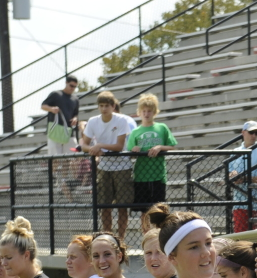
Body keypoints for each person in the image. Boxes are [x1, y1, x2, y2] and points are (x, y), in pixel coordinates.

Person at [81, 92, 136, 241]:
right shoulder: (93, 121)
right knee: (104, 206)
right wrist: (92, 149)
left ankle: (121, 239)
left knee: (122, 206)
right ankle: (108, 239)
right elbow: (83, 143)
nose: (104, 109)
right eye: (101, 106)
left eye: (107, 105)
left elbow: (119, 146)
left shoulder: (121, 120)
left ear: (113, 106)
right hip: (103, 168)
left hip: (122, 167)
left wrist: (99, 146)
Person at [127, 94, 177, 214]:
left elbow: (172, 147)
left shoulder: (162, 128)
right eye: (143, 111)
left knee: (159, 210)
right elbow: (130, 154)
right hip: (141, 175)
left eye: (149, 111)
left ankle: (158, 232)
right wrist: (134, 151)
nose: (146, 114)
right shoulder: (135, 131)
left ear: (154, 112)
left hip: (158, 175)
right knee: (144, 211)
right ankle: (147, 232)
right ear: (139, 112)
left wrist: (160, 147)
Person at [228, 121, 257, 234]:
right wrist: (232, 176)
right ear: (243, 133)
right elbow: (229, 174)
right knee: (241, 239)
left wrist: (244, 178)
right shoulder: (235, 152)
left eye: (256, 133)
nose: (254, 135)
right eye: (251, 132)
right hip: (240, 203)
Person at [41, 76, 80, 156]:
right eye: (71, 86)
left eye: (75, 87)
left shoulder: (75, 99)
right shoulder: (56, 94)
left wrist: (75, 119)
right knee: (55, 158)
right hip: (56, 130)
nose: (72, 88)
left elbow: (75, 113)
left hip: (68, 131)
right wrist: (51, 109)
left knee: (72, 157)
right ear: (66, 83)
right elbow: (43, 106)